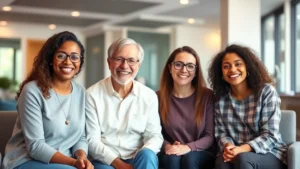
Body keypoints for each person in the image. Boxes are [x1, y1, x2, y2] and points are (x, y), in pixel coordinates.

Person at [2, 31, 93, 169]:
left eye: (75, 57)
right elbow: (36, 146)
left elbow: (80, 137)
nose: (68, 61)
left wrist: (81, 158)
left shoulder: (81, 92)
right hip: (26, 159)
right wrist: (73, 163)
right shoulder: (32, 91)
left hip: (66, 162)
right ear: (51, 59)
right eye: (61, 55)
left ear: (80, 62)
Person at [85, 38, 163, 169]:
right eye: (119, 59)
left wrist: (144, 151)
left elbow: (154, 136)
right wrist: (119, 164)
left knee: (148, 155)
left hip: (137, 158)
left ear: (139, 65)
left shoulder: (149, 96)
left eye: (131, 60)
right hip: (105, 160)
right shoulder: (92, 94)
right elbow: (92, 141)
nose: (125, 66)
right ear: (109, 62)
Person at [208, 44, 287, 169]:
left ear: (247, 67)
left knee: (243, 159)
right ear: (221, 72)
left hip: (269, 151)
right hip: (235, 151)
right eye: (226, 66)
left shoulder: (266, 92)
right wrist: (229, 147)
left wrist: (241, 150)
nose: (232, 69)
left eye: (238, 64)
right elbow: (221, 133)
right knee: (221, 163)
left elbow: (270, 135)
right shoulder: (220, 98)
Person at [157, 46, 216, 169]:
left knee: (190, 158)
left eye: (190, 66)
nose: (184, 70)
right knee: (171, 159)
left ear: (195, 72)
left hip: (201, 152)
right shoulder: (157, 97)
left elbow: (209, 136)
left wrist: (188, 147)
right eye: (178, 64)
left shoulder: (207, 96)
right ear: (170, 68)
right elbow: (155, 133)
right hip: (171, 151)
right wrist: (167, 146)